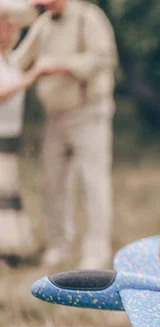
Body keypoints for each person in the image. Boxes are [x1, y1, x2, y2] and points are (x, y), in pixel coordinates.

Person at [10, 0, 118, 270]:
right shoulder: (44, 24)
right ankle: (58, 245)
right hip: (55, 116)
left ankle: (96, 252)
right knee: (52, 183)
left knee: (94, 183)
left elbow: (104, 58)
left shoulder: (88, 17)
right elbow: (18, 61)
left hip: (88, 113)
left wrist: (61, 65)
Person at [0, 0, 65, 267]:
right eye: (8, 27)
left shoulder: (9, 59)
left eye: (15, 28)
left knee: (7, 190)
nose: (13, 32)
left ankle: (8, 248)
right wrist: (31, 77)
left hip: (10, 133)